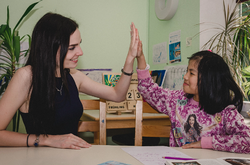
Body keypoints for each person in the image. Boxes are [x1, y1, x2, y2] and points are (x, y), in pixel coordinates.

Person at [0, 12, 140, 149]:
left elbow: (117, 95)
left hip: (73, 158)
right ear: (49, 48)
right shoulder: (26, 77)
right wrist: (47, 140)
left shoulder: (73, 75)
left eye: (79, 44)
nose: (80, 52)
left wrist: (130, 59)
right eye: (72, 47)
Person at [135, 47, 250, 153]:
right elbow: (148, 89)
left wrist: (207, 143)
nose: (185, 76)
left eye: (191, 73)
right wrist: (140, 57)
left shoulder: (226, 111)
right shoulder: (177, 100)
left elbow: (247, 140)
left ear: (208, 79)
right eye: (187, 71)